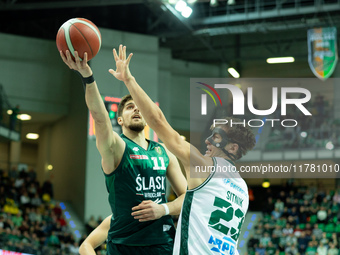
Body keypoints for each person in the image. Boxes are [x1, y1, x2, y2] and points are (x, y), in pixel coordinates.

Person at [109, 45, 256, 254]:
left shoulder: (206, 168)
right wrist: (166, 209)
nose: (207, 141)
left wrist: (128, 80)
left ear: (232, 147)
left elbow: (158, 122)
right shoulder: (241, 187)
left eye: (217, 138)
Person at [59, 50, 187, 255]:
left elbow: (187, 199)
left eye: (139, 107)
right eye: (129, 107)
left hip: (162, 243)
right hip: (124, 246)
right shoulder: (117, 148)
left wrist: (163, 209)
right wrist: (87, 77)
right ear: (119, 120)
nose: (136, 109)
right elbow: (99, 118)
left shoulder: (164, 152)